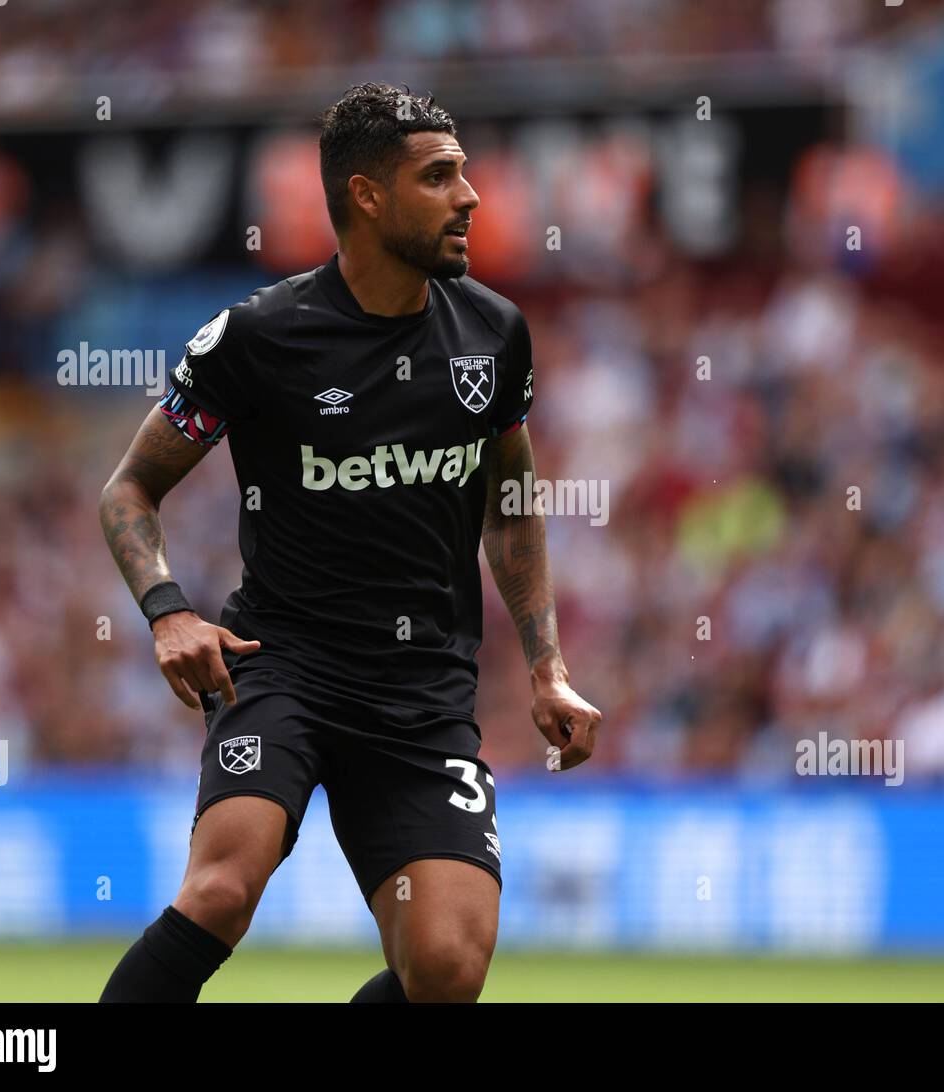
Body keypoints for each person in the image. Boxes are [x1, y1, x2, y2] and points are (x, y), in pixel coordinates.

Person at [96, 83, 601, 1003]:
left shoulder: (494, 335)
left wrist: (547, 666)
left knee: (445, 970)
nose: (471, 197)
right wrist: (169, 613)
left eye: (465, 173)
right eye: (440, 176)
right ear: (367, 196)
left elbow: (513, 500)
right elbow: (130, 488)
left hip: (421, 694)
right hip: (282, 663)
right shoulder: (258, 337)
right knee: (221, 888)